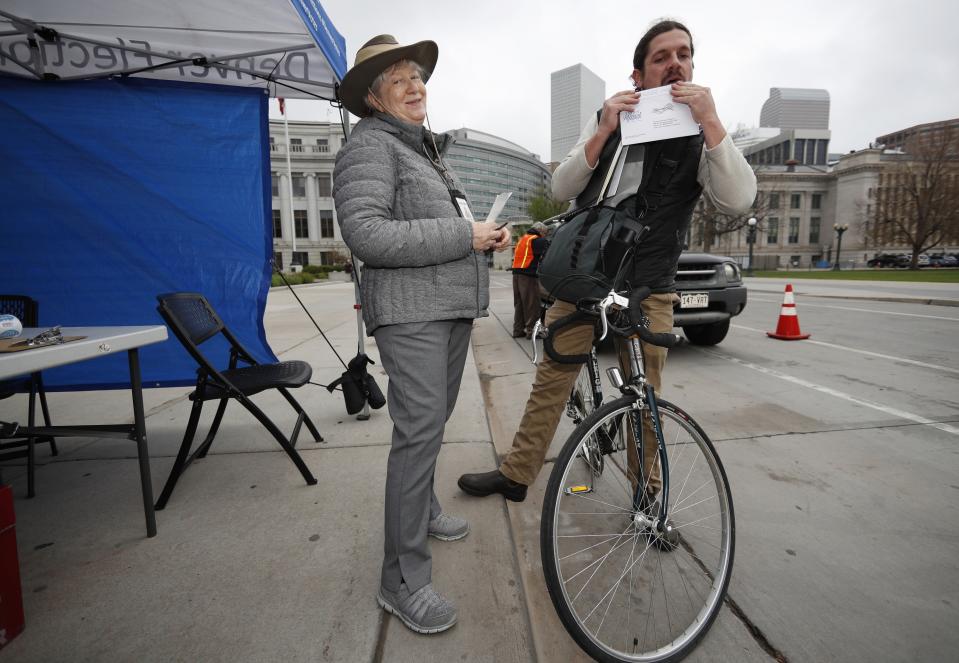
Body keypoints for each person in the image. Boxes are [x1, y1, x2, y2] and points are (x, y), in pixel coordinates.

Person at [458, 19, 756, 504]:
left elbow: (738, 199)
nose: (675, 64)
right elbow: (562, 188)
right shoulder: (610, 117)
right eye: (661, 57)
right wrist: (603, 130)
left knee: (646, 399)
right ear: (638, 75)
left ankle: (648, 497)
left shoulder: (703, 136)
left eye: (684, 55)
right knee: (552, 380)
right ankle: (516, 474)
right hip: (586, 277)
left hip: (649, 283)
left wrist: (713, 122)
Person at [332, 34, 510, 634]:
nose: (416, 86)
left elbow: (438, 223)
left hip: (446, 306)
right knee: (416, 436)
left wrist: (480, 233)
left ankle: (424, 509)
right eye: (399, 79)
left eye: (418, 76)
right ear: (375, 98)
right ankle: (401, 579)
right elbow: (368, 235)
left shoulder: (423, 149)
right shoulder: (370, 147)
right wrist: (466, 237)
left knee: (429, 425)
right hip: (411, 314)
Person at [510, 222, 550, 338]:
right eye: (545, 233)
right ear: (541, 231)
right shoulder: (538, 240)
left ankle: (518, 330)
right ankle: (533, 331)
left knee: (520, 304)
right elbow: (550, 252)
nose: (545, 236)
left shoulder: (523, 239)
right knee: (531, 304)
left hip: (516, 275)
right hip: (528, 276)